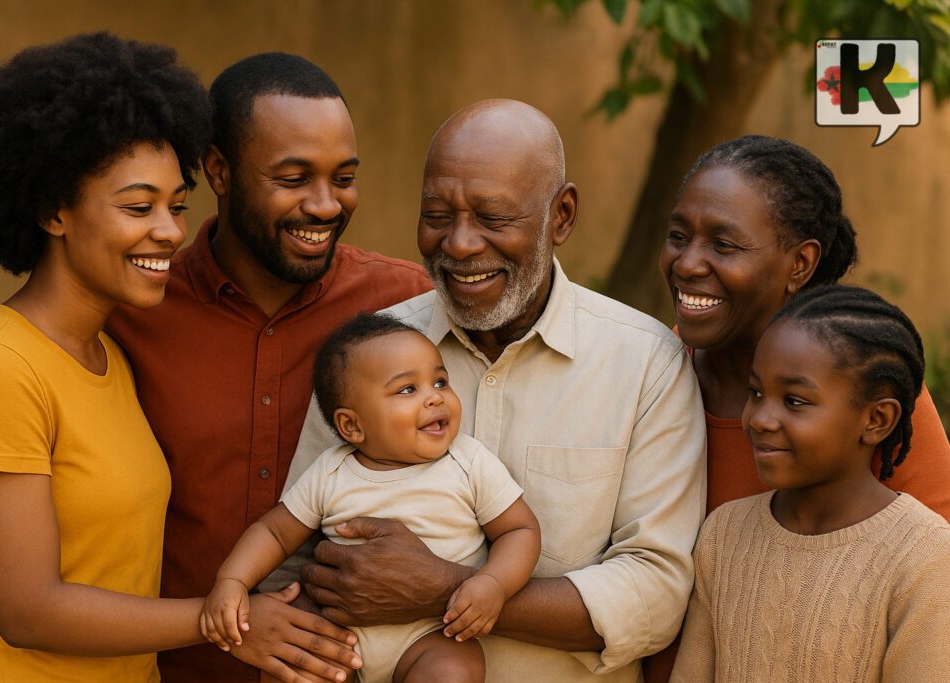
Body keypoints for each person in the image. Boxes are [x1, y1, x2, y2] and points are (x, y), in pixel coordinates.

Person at [0, 52, 433, 683]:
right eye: (140, 208)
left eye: (174, 206)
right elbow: (26, 604)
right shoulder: (52, 346)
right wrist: (227, 619)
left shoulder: (406, 308)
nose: (167, 231)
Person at [286, 99, 708, 682]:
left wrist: (442, 591)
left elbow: (657, 594)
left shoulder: (645, 363)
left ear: (561, 216)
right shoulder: (365, 359)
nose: (459, 244)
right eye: (437, 214)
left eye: (493, 217)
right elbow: (298, 552)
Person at [646, 133, 950, 683]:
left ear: (800, 263)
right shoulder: (646, 375)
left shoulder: (870, 390)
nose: (688, 263)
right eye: (677, 236)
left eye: (724, 245)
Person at [203, 313, 541, 682]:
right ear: (352, 425)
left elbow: (519, 530)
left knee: (451, 674)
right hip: (336, 635)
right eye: (408, 389)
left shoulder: (468, 461)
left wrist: (493, 582)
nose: (434, 398)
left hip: (432, 635)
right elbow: (275, 533)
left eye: (440, 381)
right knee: (291, 667)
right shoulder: (331, 471)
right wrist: (232, 581)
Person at [671, 285, 950, 681]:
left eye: (794, 401)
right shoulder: (724, 534)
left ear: (877, 420)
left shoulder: (925, 556)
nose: (760, 419)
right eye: (756, 392)